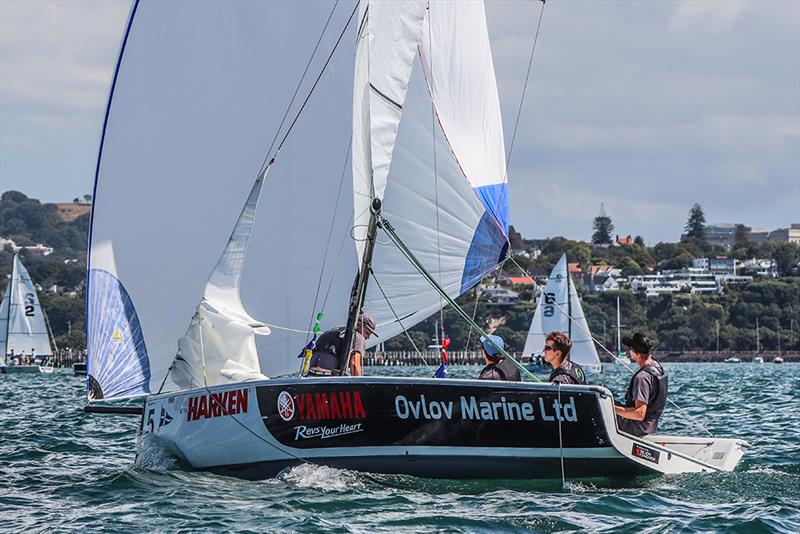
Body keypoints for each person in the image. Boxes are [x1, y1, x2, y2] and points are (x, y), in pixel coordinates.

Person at [614, 333, 668, 437]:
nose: (629, 351)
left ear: (636, 353)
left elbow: (639, 414)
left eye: (630, 349)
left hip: (638, 427)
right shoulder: (658, 367)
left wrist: (611, 409)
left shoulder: (642, 377)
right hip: (651, 425)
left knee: (599, 408)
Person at [307, 312, 377, 377]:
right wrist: (361, 386)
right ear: (358, 324)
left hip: (311, 373)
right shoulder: (358, 337)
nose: (368, 337)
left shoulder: (332, 331)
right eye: (367, 333)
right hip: (329, 376)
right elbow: (354, 363)